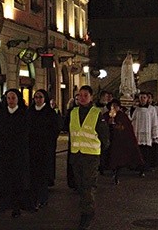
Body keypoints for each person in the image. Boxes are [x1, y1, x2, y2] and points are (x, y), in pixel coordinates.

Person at [67, 85, 110, 230]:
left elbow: (104, 136)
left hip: (91, 156)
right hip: (76, 155)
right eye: (80, 95)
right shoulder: (73, 112)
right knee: (80, 186)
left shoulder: (96, 113)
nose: (82, 98)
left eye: (86, 95)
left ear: (91, 97)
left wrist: (102, 152)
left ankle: (88, 214)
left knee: (88, 186)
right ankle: (84, 209)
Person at [0, 88, 29, 219]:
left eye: (13, 98)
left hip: (17, 154)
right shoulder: (0, 114)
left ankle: (16, 207)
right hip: (2, 153)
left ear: (18, 99)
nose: (11, 101)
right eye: (9, 98)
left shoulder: (23, 114)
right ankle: (0, 206)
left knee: (16, 181)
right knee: (1, 181)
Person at [26, 89, 59, 210]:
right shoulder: (29, 112)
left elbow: (55, 130)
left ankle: (42, 198)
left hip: (45, 149)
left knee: (42, 175)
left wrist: (48, 141)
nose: (38, 99)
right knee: (32, 174)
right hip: (31, 148)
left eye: (40, 97)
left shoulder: (50, 113)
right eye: (36, 97)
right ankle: (33, 197)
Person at [102, 98, 144, 184]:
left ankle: (118, 173)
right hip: (110, 141)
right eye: (112, 106)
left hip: (121, 142)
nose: (114, 108)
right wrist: (109, 124)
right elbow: (102, 127)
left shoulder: (123, 116)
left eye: (116, 106)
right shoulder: (106, 115)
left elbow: (127, 128)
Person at [130, 92, 158, 173]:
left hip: (148, 133)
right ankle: (139, 167)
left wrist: (155, 134)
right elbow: (132, 120)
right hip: (138, 133)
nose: (142, 99)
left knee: (147, 152)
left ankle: (146, 167)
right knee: (139, 151)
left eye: (144, 97)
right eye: (141, 97)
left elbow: (154, 121)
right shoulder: (136, 109)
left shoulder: (152, 109)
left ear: (147, 99)